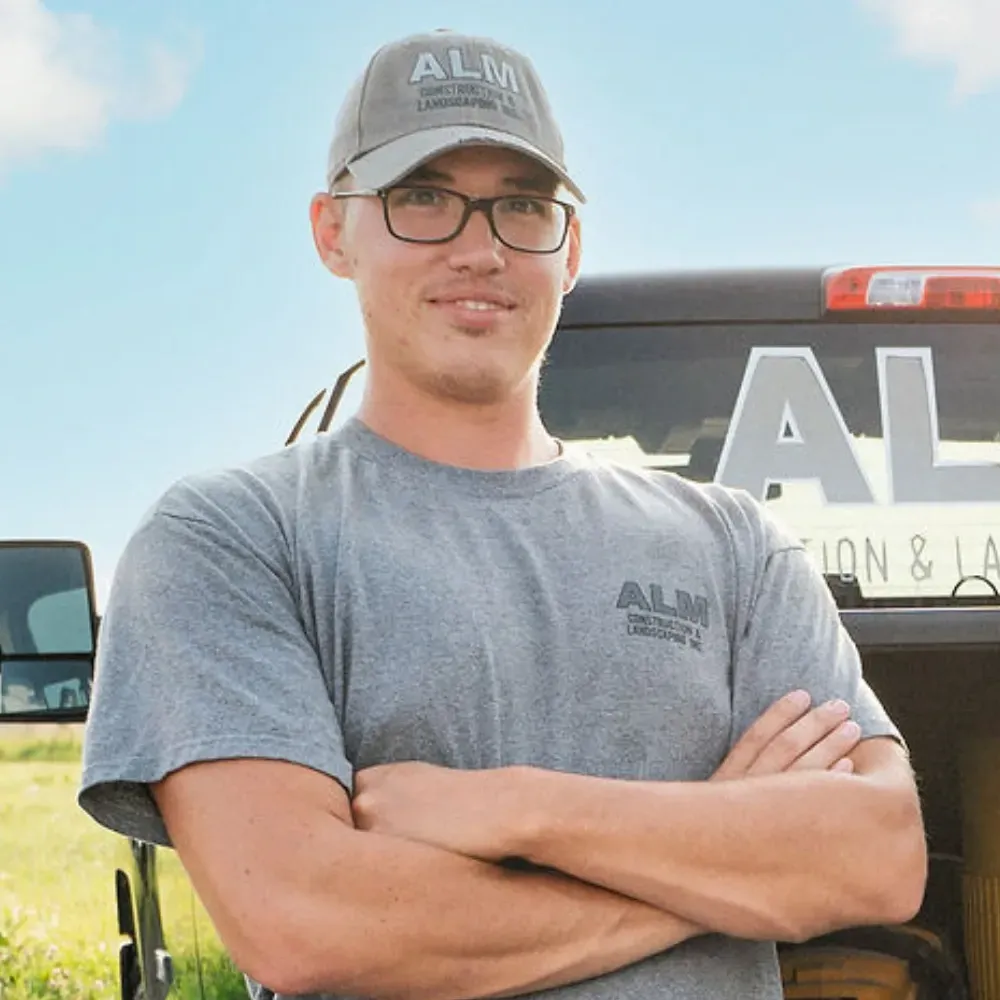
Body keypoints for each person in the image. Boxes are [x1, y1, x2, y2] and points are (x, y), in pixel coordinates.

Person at [78, 28, 927, 1000]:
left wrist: (516, 809)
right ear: (331, 231)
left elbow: (876, 857)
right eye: (422, 198)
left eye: (521, 205)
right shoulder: (230, 538)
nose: (478, 247)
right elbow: (307, 922)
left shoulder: (735, 546)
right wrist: (725, 856)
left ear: (568, 247)